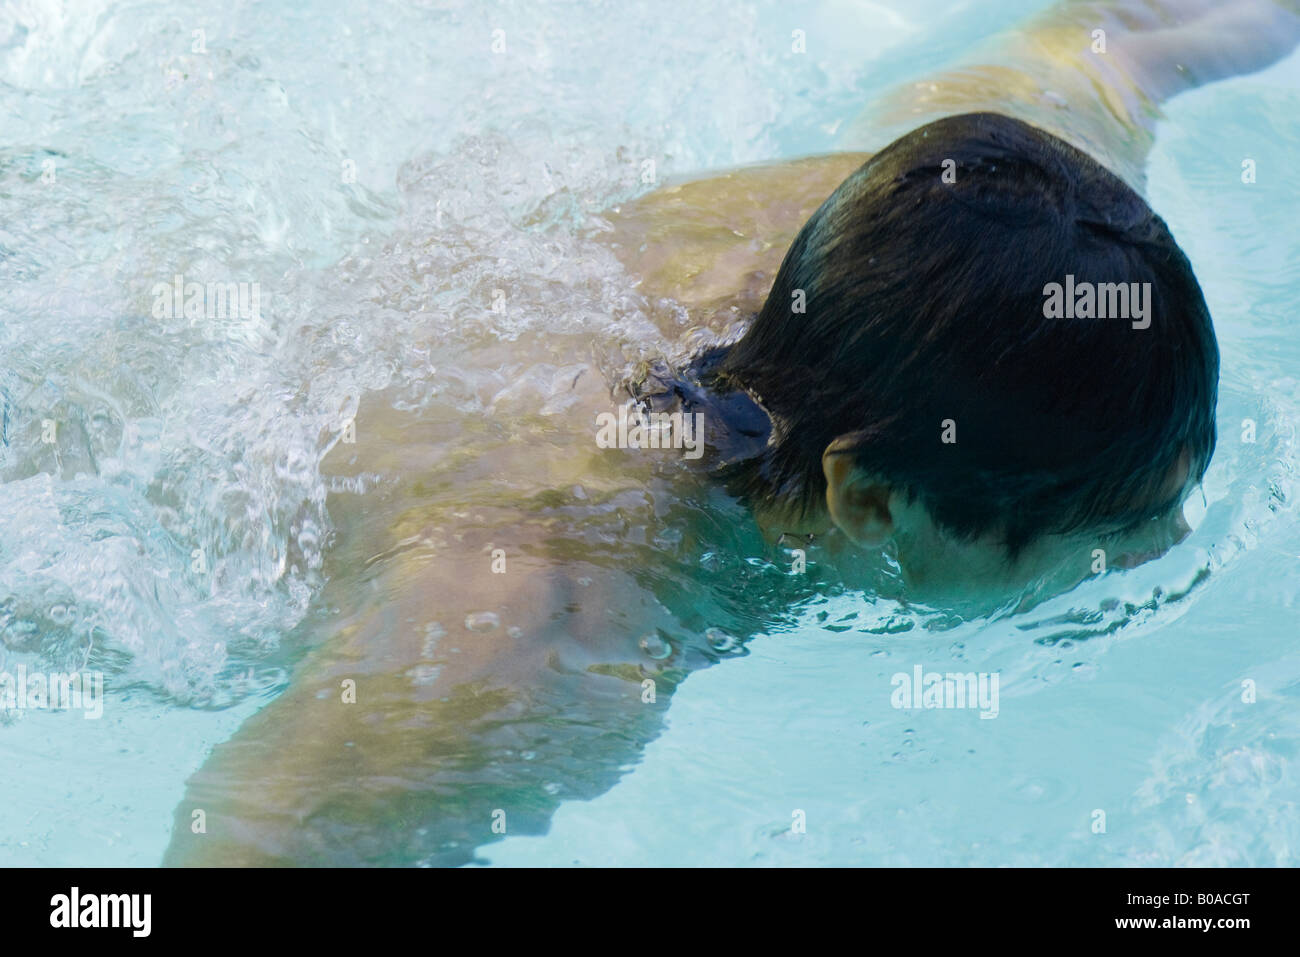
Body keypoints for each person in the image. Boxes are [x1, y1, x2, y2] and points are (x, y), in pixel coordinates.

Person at [163, 0, 1300, 865]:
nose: (1164, 551)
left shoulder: (965, 217)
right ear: (864, 499)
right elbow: (241, 849)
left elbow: (1128, 29)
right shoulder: (538, 646)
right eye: (1110, 525)